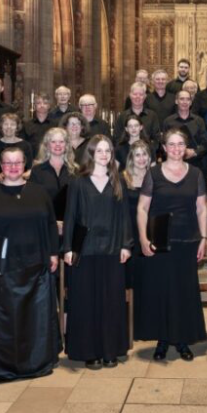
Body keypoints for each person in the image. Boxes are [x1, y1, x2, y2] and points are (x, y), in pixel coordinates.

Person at [0, 147, 61, 384]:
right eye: (8, 163)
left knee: (32, 320)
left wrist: (54, 253)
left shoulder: (40, 193)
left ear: (25, 165)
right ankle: (1, 365)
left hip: (35, 268)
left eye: (18, 162)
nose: (13, 167)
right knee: (1, 322)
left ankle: (33, 362)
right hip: (0, 271)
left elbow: (49, 224)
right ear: (1, 166)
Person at [135, 129, 207, 360]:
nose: (176, 149)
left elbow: (201, 208)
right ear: (164, 148)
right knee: (161, 291)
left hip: (188, 240)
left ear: (185, 148)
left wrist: (204, 238)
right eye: (172, 144)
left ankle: (182, 340)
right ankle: (162, 340)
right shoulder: (153, 173)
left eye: (180, 144)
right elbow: (142, 208)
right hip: (160, 241)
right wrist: (143, 238)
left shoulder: (196, 173)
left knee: (184, 291)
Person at [62, 136, 133, 369]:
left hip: (112, 249)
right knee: (86, 302)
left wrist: (126, 245)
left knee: (111, 302)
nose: (104, 155)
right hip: (85, 250)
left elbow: (124, 217)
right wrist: (68, 248)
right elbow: (70, 216)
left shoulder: (118, 180)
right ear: (90, 153)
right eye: (99, 150)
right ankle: (89, 351)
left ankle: (110, 350)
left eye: (108, 150)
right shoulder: (78, 182)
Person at [122, 140, 153, 289]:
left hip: (150, 232)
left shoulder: (155, 177)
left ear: (149, 157)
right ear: (131, 158)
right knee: (130, 278)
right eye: (137, 155)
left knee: (148, 278)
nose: (141, 159)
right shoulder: (123, 178)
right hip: (129, 233)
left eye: (144, 154)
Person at [162, 89, 207, 178]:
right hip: (174, 165)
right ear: (176, 101)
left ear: (191, 102)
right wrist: (181, 152)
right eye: (182, 99)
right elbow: (164, 145)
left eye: (188, 99)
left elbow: (206, 144)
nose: (185, 102)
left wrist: (194, 152)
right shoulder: (168, 121)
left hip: (196, 164)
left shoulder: (199, 121)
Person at [29, 127, 77, 207]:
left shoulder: (76, 170)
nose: (57, 144)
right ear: (47, 145)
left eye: (61, 141)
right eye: (53, 142)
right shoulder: (37, 170)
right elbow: (32, 199)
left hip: (71, 218)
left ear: (67, 145)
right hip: (45, 217)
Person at [0, 113, 34, 182]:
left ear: (17, 127)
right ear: (1, 126)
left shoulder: (26, 145)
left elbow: (30, 170)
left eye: (12, 124)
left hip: (21, 184)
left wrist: (15, 176)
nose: (9, 127)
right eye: (5, 124)